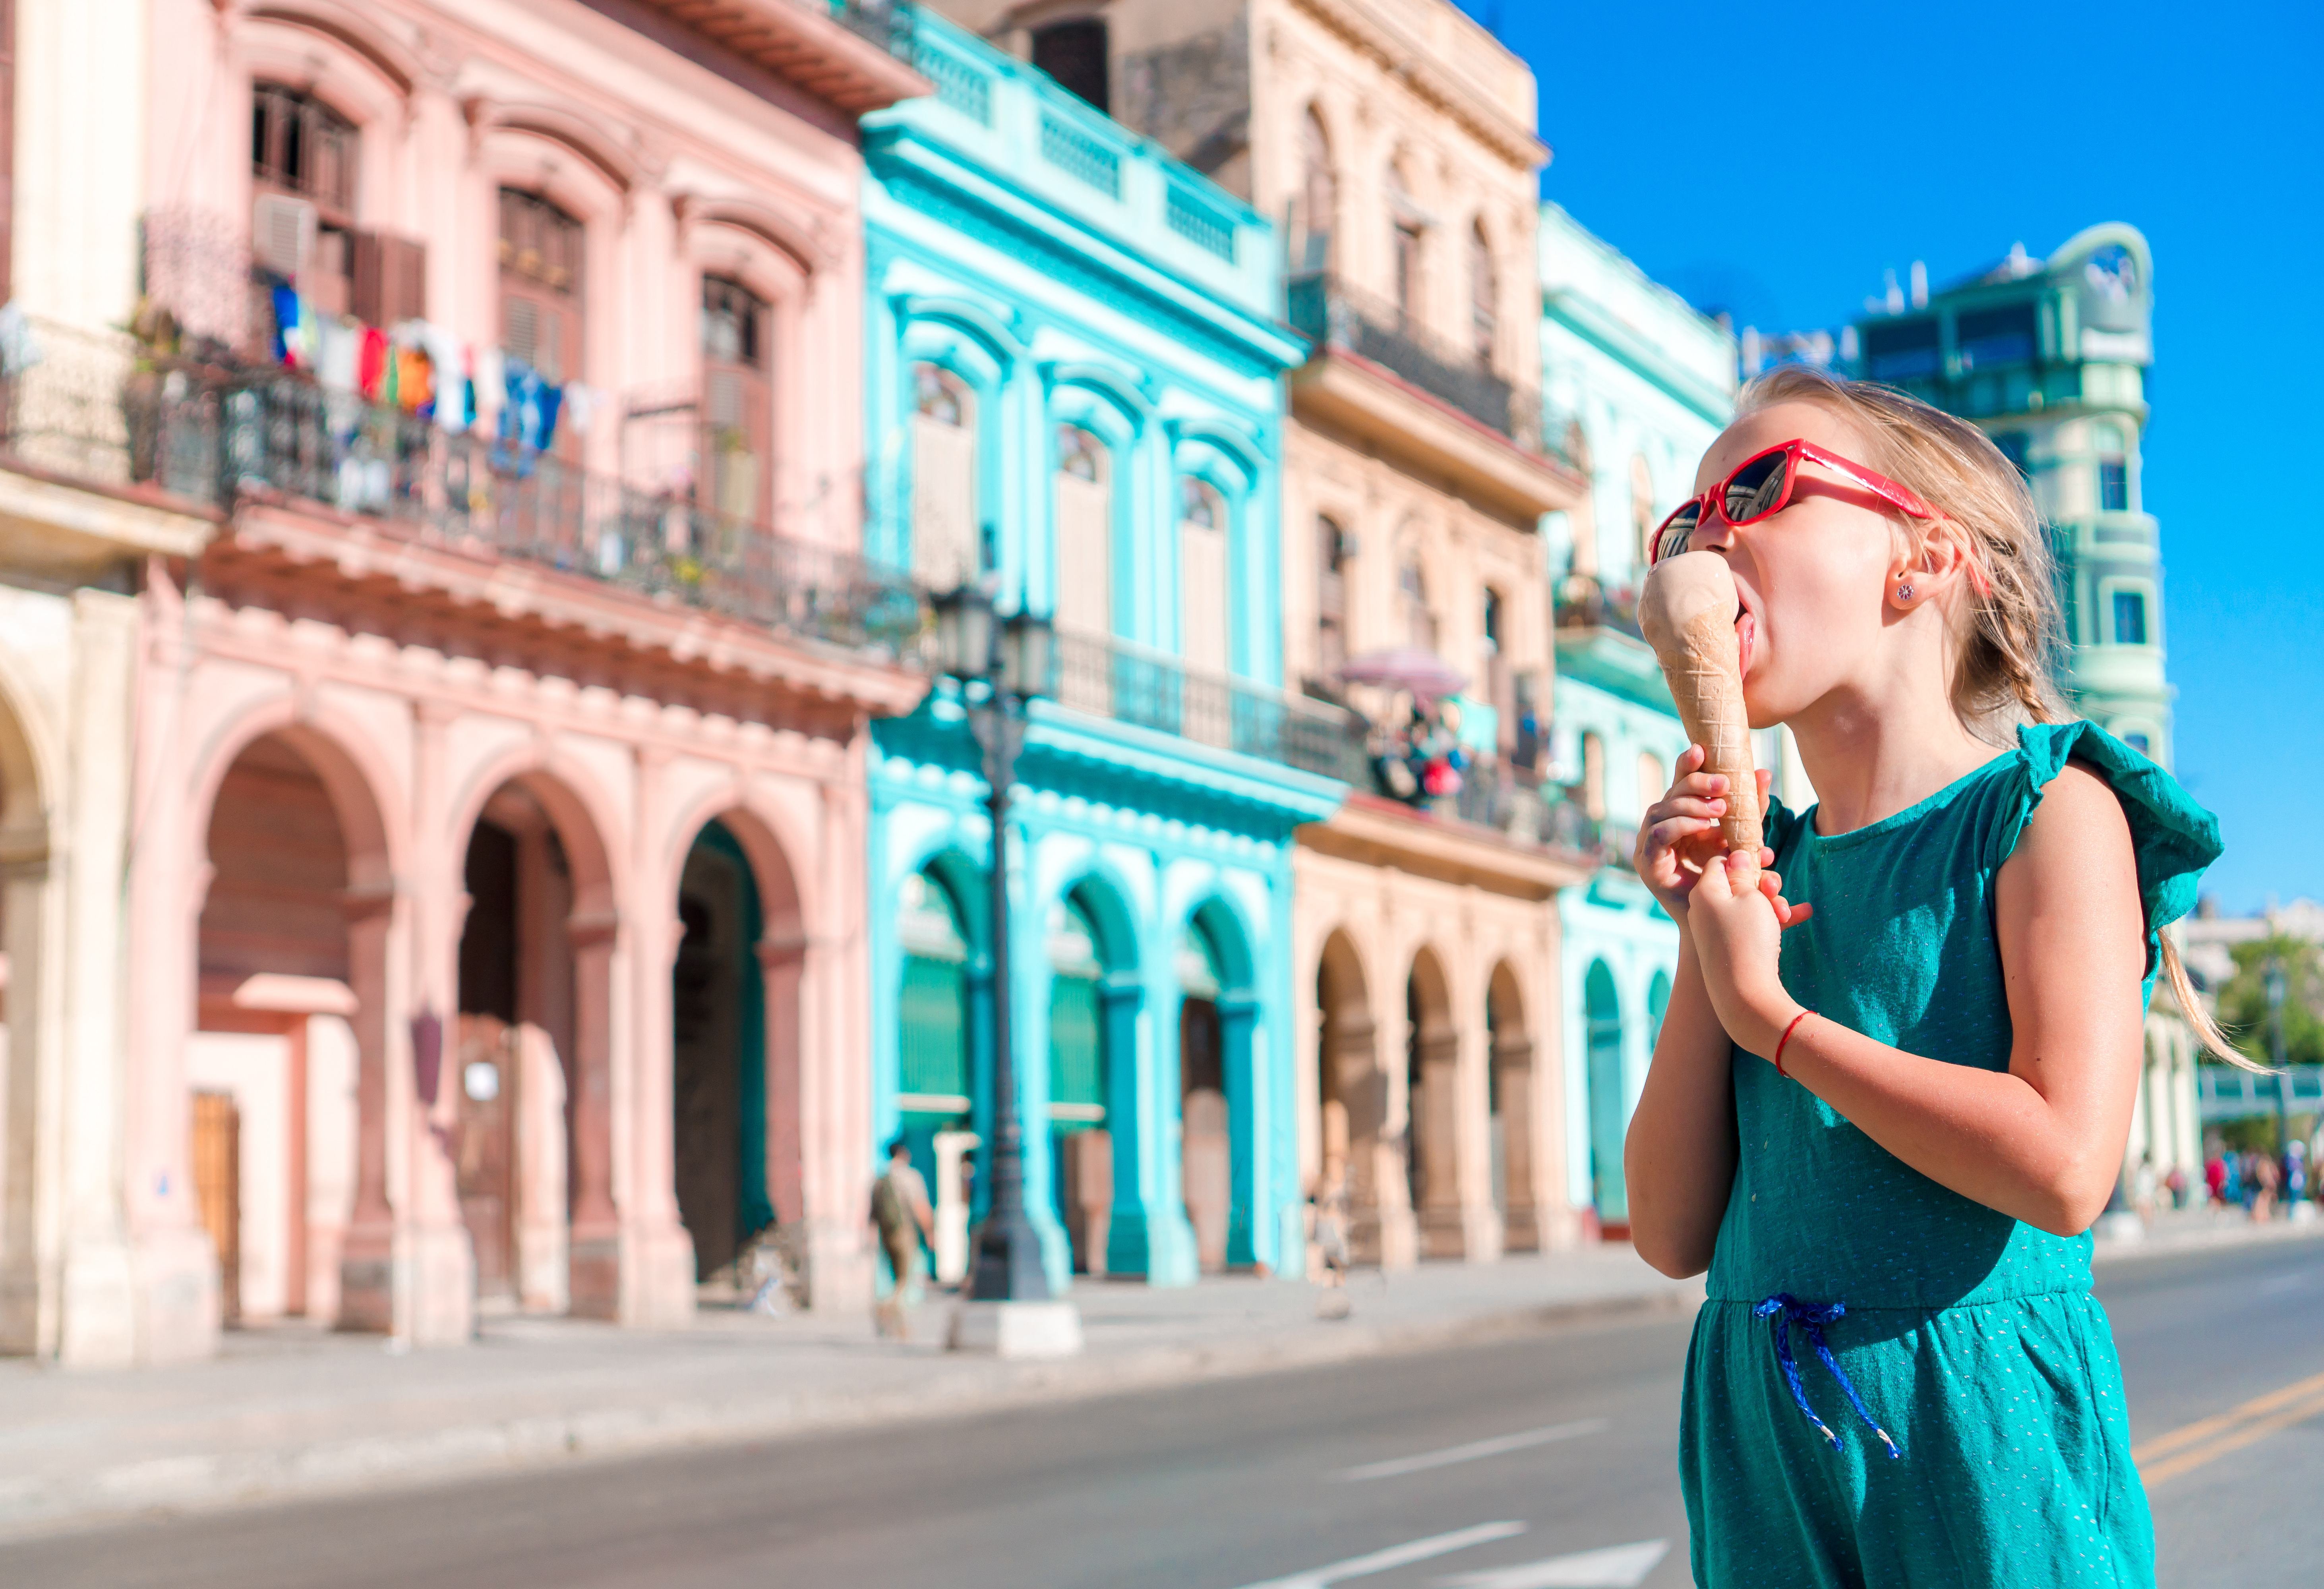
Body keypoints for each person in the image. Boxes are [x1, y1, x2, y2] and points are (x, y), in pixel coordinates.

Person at [1622, 367, 2249, 1587]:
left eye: (1755, 490)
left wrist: (1776, 1020)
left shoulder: (2045, 814)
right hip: (1765, 1436)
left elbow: (2062, 1167)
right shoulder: (1769, 873)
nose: (1702, 540)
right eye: (1684, 522)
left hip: (1979, 1439)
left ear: (1922, 557)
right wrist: (1707, 930)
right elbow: (1667, 1229)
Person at [868, 1138, 934, 1340]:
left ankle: (900, 1328)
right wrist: (930, 1232)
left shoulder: (880, 1178)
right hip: (904, 1233)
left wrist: (872, 1236)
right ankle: (885, 1307)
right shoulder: (910, 1177)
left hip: (886, 1235)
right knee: (904, 1282)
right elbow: (920, 1206)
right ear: (904, 1154)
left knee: (895, 1278)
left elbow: (872, 1213)